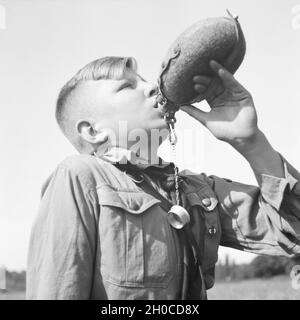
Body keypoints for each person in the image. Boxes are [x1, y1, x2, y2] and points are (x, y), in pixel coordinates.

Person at [26, 56, 300, 300]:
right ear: (92, 131)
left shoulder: (198, 190)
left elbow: (293, 231)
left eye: (144, 80)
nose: (152, 87)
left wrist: (251, 142)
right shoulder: (80, 177)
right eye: (127, 86)